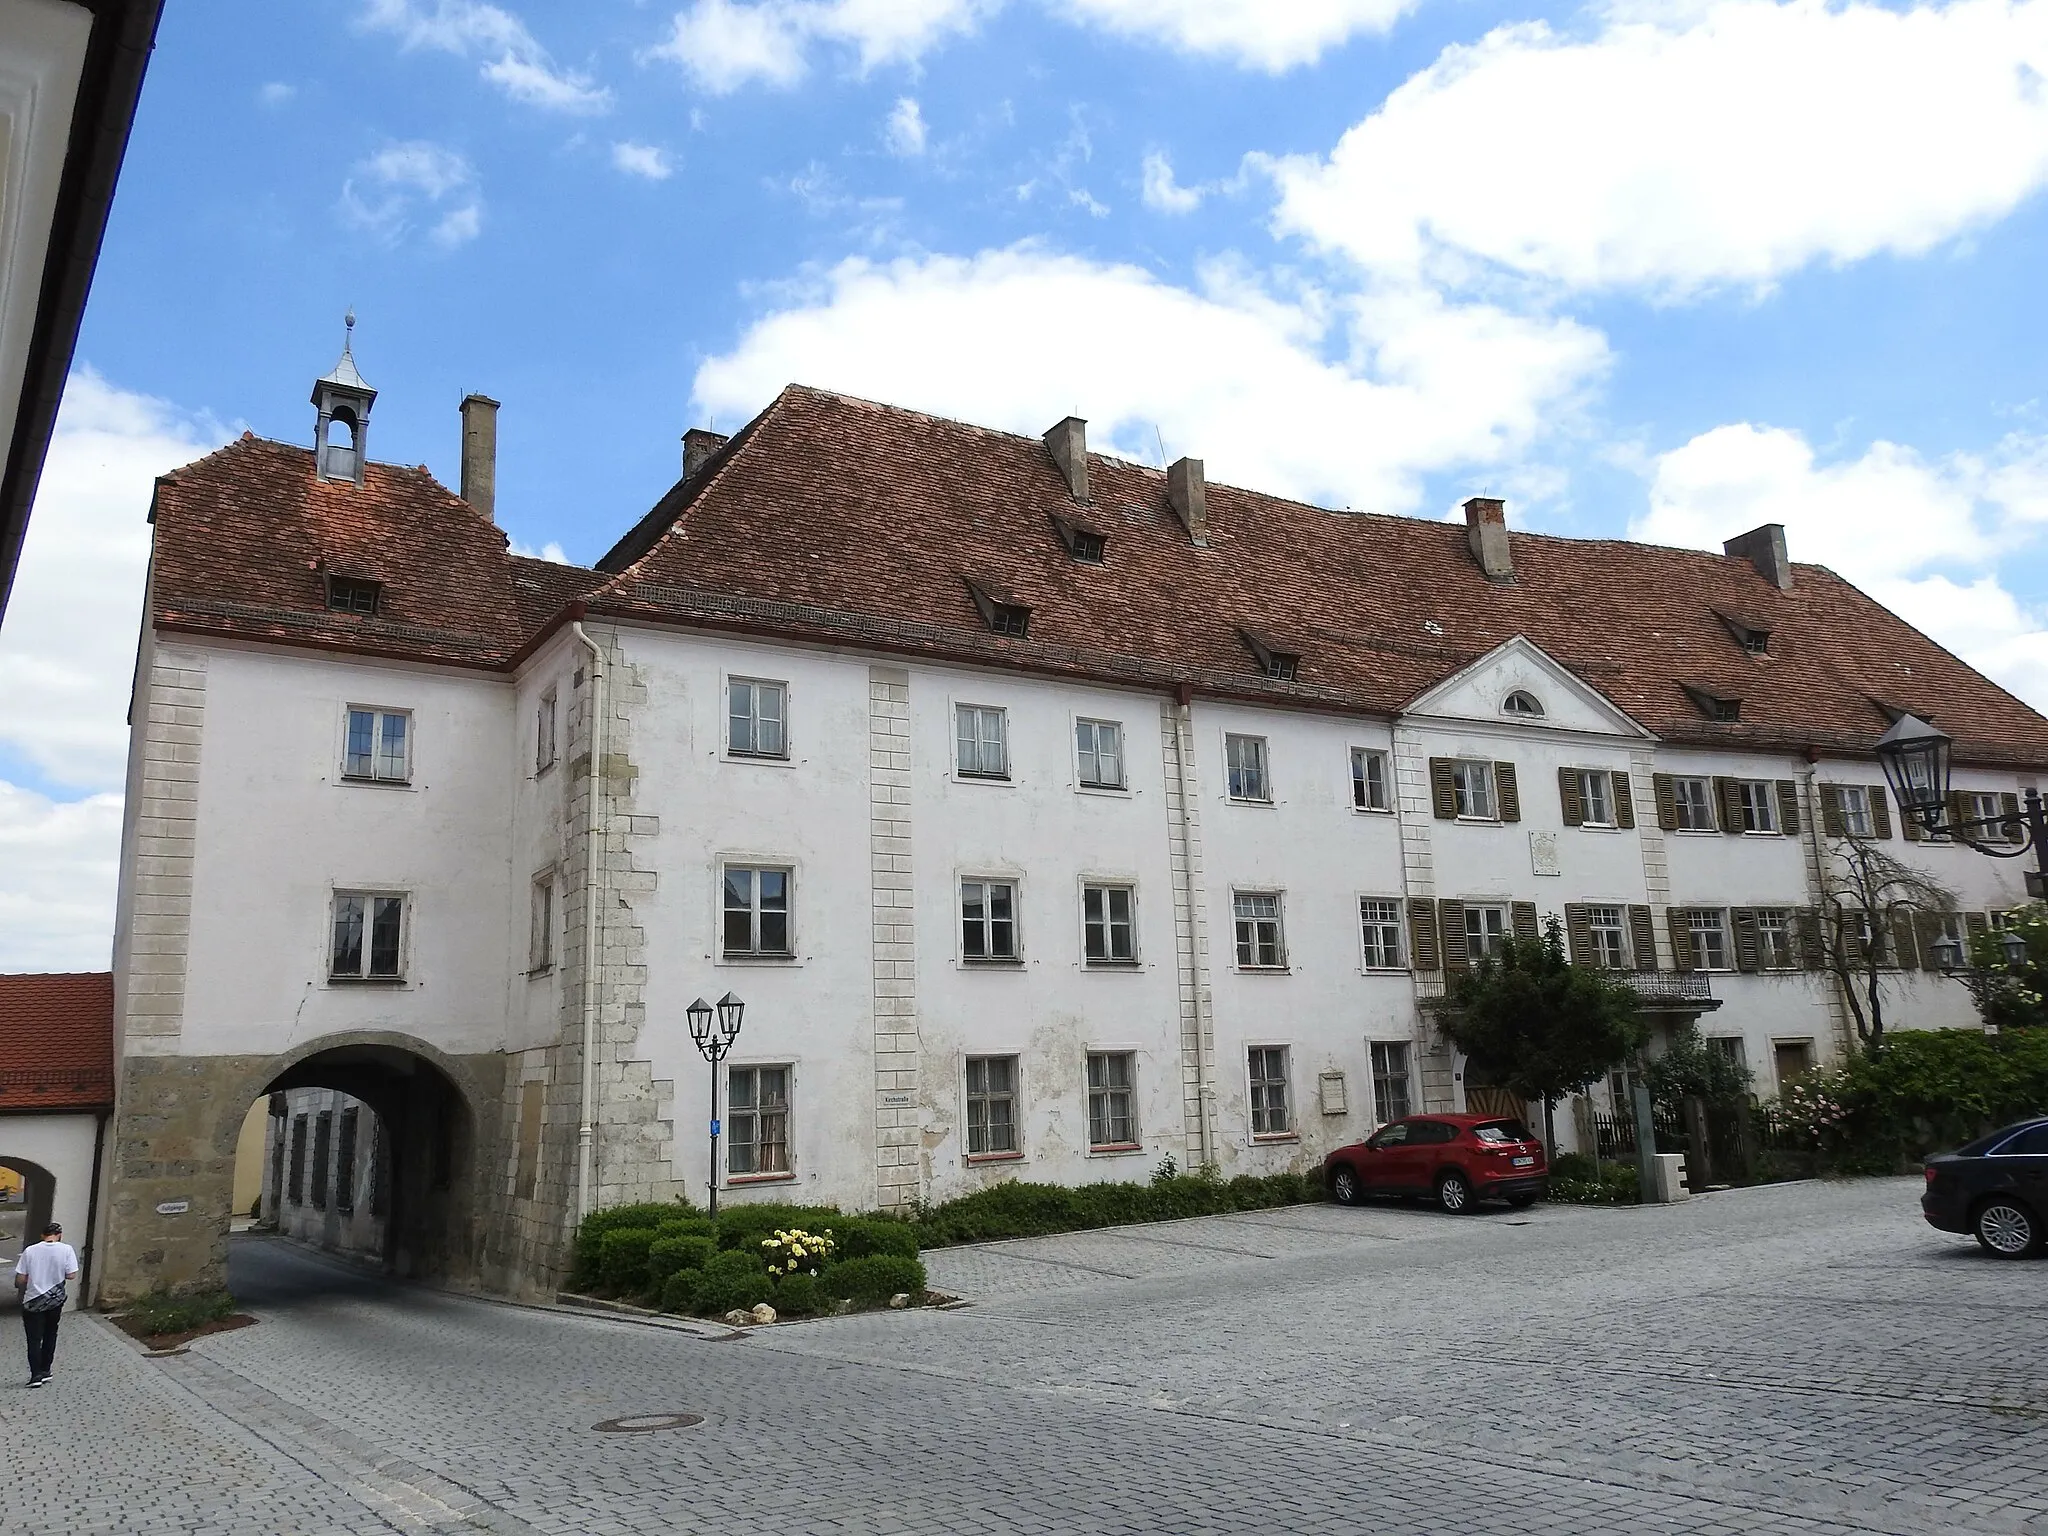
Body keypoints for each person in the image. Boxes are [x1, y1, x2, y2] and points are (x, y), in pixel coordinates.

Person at [14, 1221, 78, 1388]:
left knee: (34, 1339)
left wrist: (32, 1278)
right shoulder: (66, 1250)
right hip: (55, 1300)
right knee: (51, 1334)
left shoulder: (30, 1251)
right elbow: (71, 1275)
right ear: (59, 1235)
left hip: (33, 1300)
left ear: (42, 1235)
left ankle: (35, 1375)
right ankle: (46, 1370)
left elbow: (20, 1278)